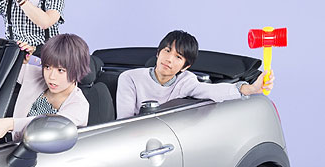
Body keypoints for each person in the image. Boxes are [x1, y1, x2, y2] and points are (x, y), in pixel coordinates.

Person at [116, 30, 275, 119]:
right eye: (167, 51)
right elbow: (124, 122)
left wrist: (250, 89)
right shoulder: (130, 78)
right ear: (158, 53)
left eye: (178, 57)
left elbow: (211, 91)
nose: (169, 59)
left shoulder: (185, 81)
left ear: (185, 66)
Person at [0, 34, 90, 140]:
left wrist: (11, 124)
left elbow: (53, 124)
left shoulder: (79, 105)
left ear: (78, 70)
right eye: (47, 67)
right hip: (12, 145)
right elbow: (2, 69)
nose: (51, 77)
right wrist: (20, 56)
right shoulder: (37, 75)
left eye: (60, 70)